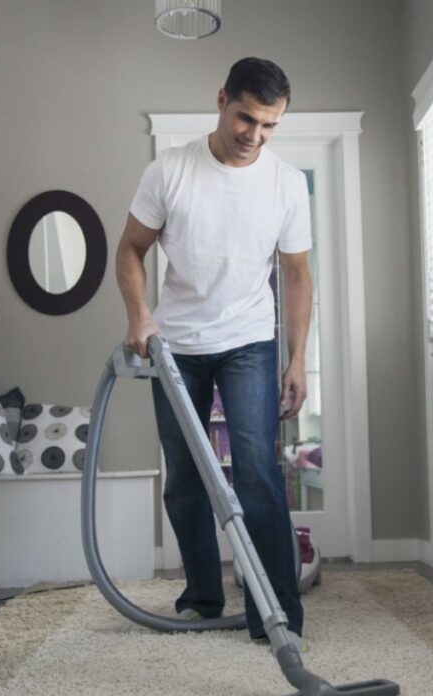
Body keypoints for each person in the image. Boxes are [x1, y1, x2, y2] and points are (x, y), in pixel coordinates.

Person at [115, 57, 313, 642]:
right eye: (246, 118)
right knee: (185, 477)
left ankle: (276, 616)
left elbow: (297, 274)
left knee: (256, 473)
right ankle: (202, 596)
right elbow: (129, 250)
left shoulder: (285, 182)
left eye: (270, 125)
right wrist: (140, 316)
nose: (254, 135)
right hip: (173, 346)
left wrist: (296, 358)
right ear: (222, 99)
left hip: (250, 341)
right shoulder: (170, 171)